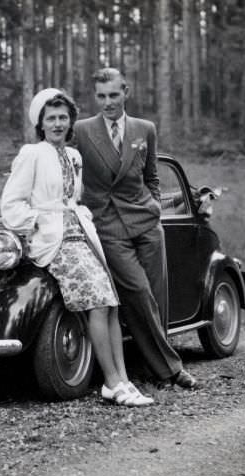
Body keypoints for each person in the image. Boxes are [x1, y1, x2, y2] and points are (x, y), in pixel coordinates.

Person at [1, 88, 154, 406]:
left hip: (82, 236)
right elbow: (11, 205)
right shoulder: (32, 154)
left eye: (63, 117)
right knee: (97, 303)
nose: (57, 124)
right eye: (51, 118)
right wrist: (39, 222)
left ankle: (122, 381)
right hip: (54, 242)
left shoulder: (74, 156)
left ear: (71, 121)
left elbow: (74, 199)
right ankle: (111, 381)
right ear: (40, 124)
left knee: (111, 302)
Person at [73, 68, 198, 389]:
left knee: (157, 296)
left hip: (147, 223)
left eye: (113, 95)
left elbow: (152, 177)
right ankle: (171, 369)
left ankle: (148, 366)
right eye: (101, 96)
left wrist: (155, 209)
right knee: (139, 293)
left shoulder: (145, 129)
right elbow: (66, 167)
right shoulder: (82, 130)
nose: (107, 102)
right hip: (108, 225)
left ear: (126, 92)